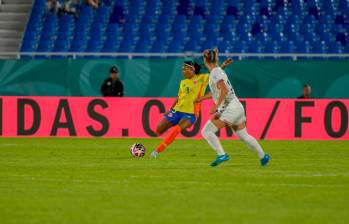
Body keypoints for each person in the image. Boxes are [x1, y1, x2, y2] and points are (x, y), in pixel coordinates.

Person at [196, 49, 270, 167]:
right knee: (244, 136)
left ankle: (221, 154)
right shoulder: (217, 71)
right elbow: (216, 91)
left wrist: (216, 106)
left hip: (230, 108)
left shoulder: (216, 72)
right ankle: (263, 156)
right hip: (237, 107)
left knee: (207, 131)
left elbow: (224, 90)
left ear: (205, 60)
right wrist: (201, 99)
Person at [150, 59, 233, 158]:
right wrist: (170, 110)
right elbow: (179, 97)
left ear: (192, 69)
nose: (183, 71)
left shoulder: (202, 78)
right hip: (176, 111)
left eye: (185, 69)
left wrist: (223, 65)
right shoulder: (183, 82)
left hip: (190, 114)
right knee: (158, 130)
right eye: (182, 69)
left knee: (177, 129)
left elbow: (215, 74)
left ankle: (157, 151)